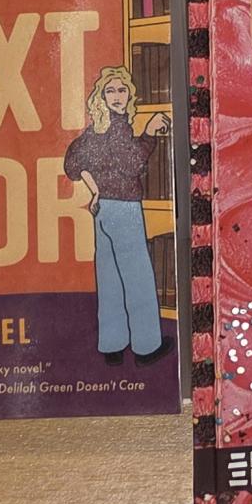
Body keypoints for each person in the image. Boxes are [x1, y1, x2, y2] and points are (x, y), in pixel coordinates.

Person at [66, 67, 172, 365]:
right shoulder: (119, 126)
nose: (117, 96)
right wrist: (149, 133)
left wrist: (96, 191)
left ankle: (112, 346)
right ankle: (147, 348)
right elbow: (133, 164)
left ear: (129, 94)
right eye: (110, 90)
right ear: (101, 96)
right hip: (124, 209)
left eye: (122, 90)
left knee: (109, 277)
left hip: (103, 211)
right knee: (137, 277)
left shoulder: (95, 129)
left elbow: (73, 163)